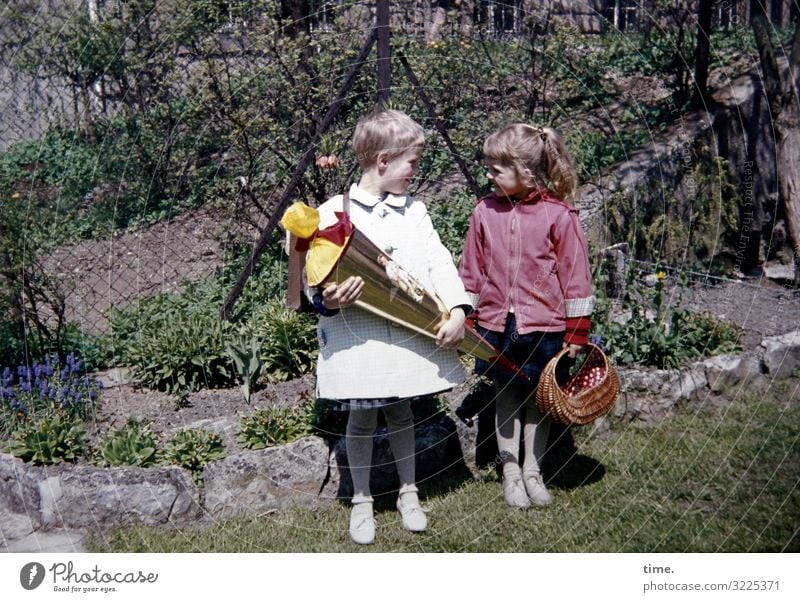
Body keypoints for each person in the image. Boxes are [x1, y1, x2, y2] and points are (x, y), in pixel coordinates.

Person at [309, 109, 471, 544]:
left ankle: (409, 493)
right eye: (411, 163)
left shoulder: (414, 211)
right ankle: (361, 500)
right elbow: (314, 275)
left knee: (402, 413)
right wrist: (326, 298)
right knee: (361, 417)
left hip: (405, 333)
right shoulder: (331, 213)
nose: (415, 172)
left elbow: (438, 259)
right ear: (383, 161)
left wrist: (457, 310)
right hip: (355, 338)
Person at [459, 123, 595, 509]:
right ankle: (511, 474)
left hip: (545, 326)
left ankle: (534, 471)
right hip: (497, 325)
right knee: (506, 396)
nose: (488, 176)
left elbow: (576, 275)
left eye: (496, 169)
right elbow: (471, 271)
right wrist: (467, 318)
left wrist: (575, 334)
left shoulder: (559, 215)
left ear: (525, 171)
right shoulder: (484, 212)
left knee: (539, 399)